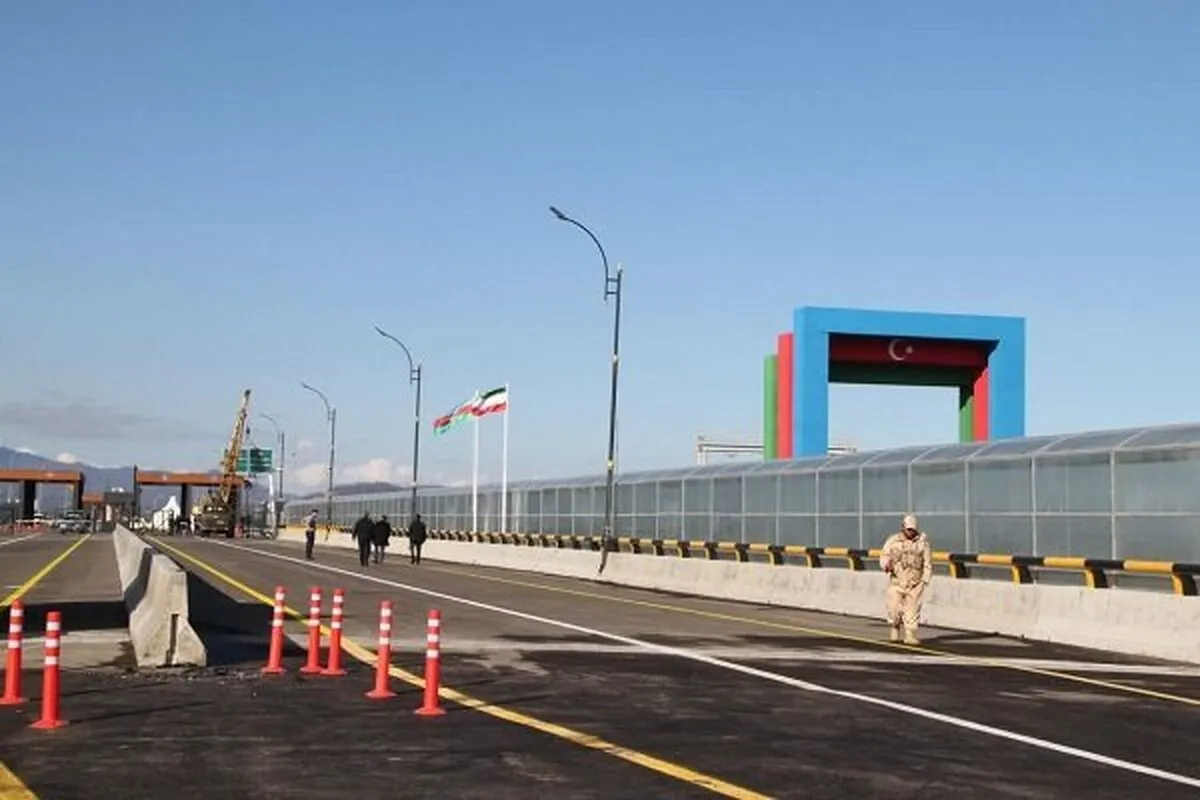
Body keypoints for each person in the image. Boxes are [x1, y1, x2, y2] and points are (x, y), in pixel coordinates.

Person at [880, 514, 933, 645]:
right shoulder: (893, 541)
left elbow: (927, 562)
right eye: (908, 529)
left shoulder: (922, 543)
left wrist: (925, 580)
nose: (911, 532)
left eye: (913, 530)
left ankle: (910, 634)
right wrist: (886, 565)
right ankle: (895, 626)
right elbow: (884, 555)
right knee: (894, 608)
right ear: (903, 527)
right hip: (897, 581)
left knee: (913, 610)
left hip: (915, 582)